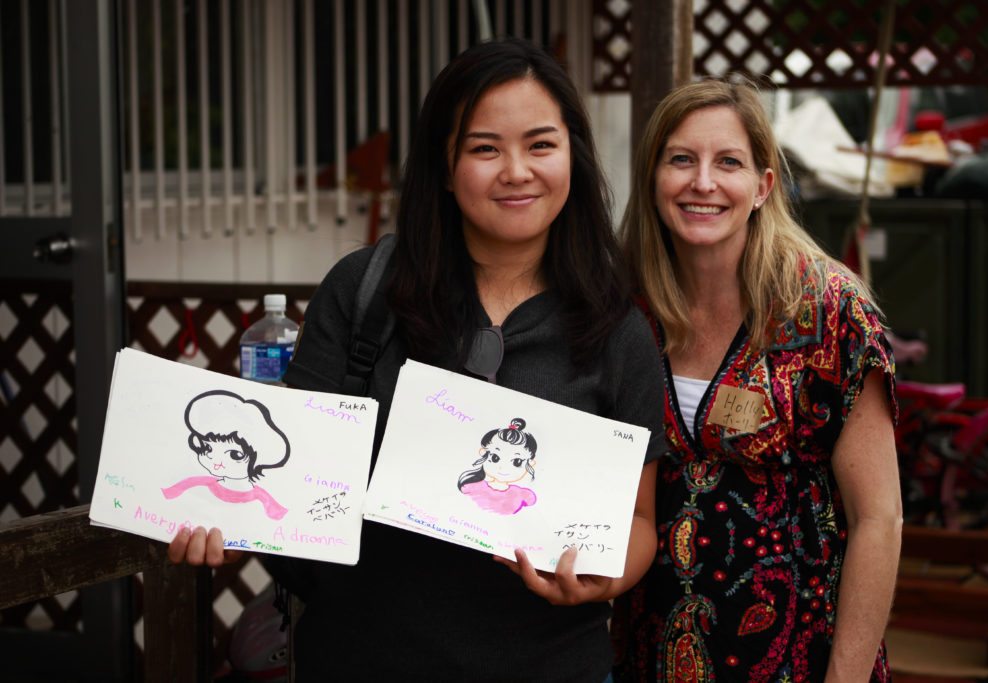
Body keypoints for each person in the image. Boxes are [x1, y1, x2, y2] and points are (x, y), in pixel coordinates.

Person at [168, 37, 666, 681]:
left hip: (550, 665)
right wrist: (228, 517)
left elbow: (639, 519)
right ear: (445, 164)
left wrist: (603, 579)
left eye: (541, 144)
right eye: (485, 148)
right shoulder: (365, 290)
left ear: (574, 154)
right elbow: (288, 475)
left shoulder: (616, 326)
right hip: (361, 660)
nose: (517, 170)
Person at [610, 78, 902, 682]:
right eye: (681, 159)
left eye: (728, 162)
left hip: (800, 659)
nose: (703, 182)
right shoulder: (622, 305)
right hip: (649, 655)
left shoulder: (828, 310)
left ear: (763, 186)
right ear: (653, 178)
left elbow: (879, 519)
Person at [162, 390, 289, 520]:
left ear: (259, 460)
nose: (216, 460)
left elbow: (278, 520)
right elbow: (167, 498)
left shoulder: (264, 501)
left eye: (235, 454)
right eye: (208, 448)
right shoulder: (197, 484)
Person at [457, 416, 539, 515]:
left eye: (517, 462)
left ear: (531, 463)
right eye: (495, 458)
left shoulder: (524, 496)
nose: (503, 467)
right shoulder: (471, 487)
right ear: (483, 453)